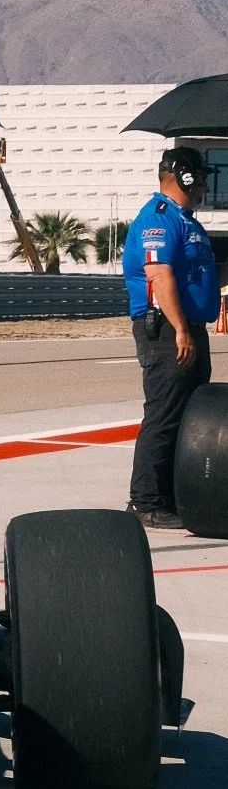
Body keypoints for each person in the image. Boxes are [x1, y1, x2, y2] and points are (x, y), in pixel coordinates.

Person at [122, 144, 220, 529]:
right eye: (201, 179)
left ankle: (173, 495)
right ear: (185, 177)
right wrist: (180, 329)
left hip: (189, 327)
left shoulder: (187, 221)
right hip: (165, 330)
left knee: (188, 417)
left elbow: (199, 276)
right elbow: (159, 276)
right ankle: (146, 501)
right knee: (164, 415)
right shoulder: (158, 219)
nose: (204, 187)